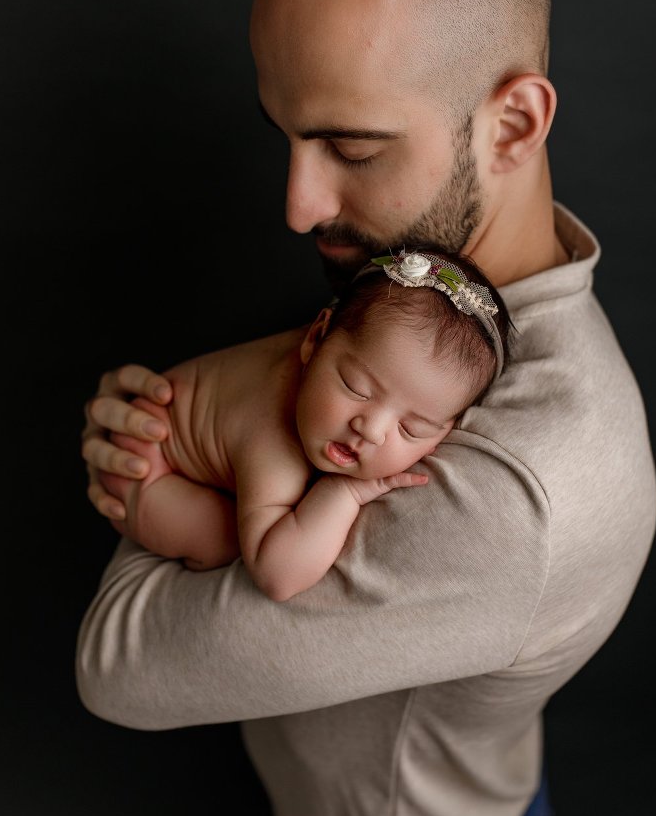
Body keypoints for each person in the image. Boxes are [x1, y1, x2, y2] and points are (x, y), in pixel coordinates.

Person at [77, 0, 656, 816]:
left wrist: (174, 448)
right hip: (409, 805)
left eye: (349, 148)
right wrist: (190, 413)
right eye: (287, 136)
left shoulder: (518, 496)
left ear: (514, 122)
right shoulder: (422, 298)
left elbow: (117, 661)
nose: (297, 205)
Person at [104, 250, 511, 601]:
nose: (371, 430)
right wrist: (344, 492)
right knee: (229, 542)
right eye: (356, 387)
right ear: (314, 339)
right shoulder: (274, 445)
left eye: (413, 429)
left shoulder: (348, 351)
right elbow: (276, 576)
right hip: (143, 465)